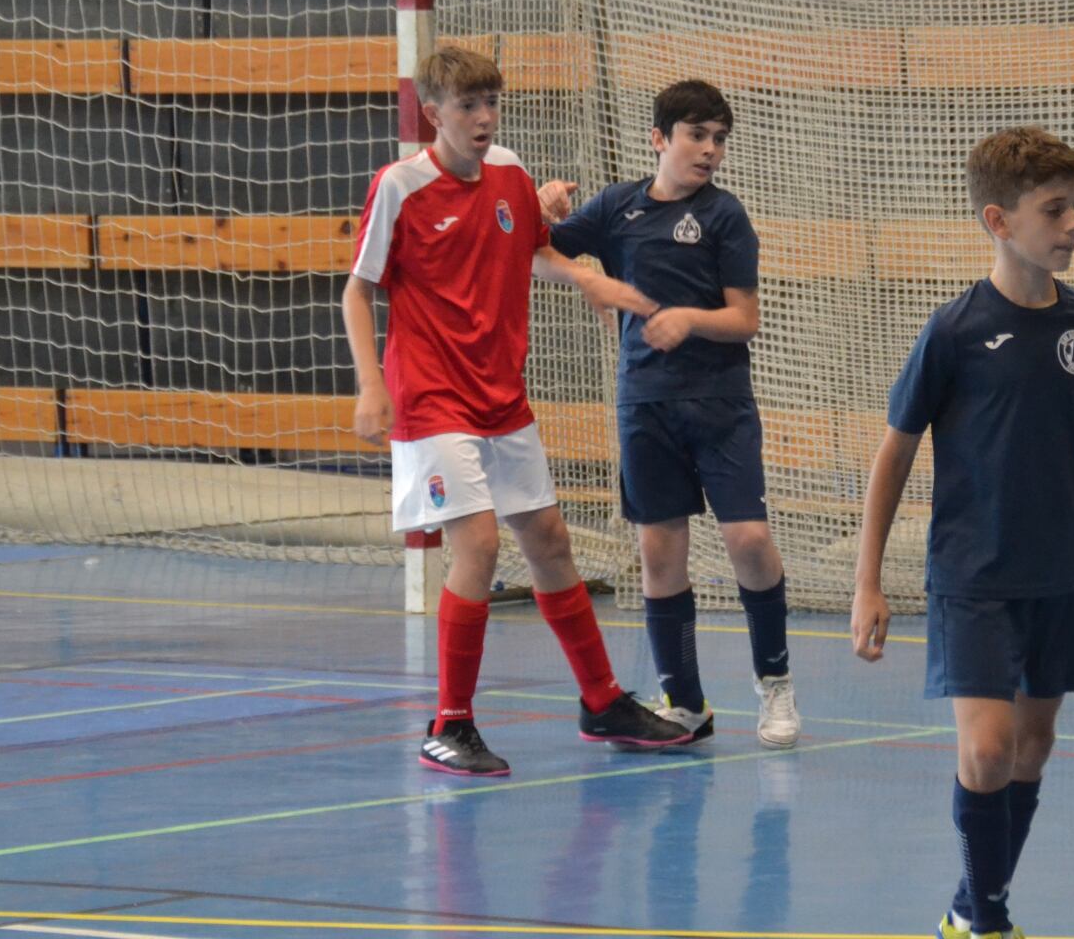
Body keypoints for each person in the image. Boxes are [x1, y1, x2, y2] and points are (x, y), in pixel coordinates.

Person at [343, 45, 692, 777]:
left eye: (491, 103)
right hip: (432, 398)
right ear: (433, 113)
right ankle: (450, 723)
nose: (483, 117)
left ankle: (601, 701)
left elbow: (536, 250)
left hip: (500, 394)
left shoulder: (509, 173)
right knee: (478, 547)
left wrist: (595, 283)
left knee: (551, 540)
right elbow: (359, 288)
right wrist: (370, 385)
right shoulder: (401, 187)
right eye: (467, 106)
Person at [850, 126, 1074, 939]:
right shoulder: (953, 333)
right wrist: (869, 582)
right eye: (1055, 211)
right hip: (972, 575)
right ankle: (988, 920)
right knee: (986, 749)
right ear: (998, 220)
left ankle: (968, 903)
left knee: (1031, 749)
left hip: (1058, 574)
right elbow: (893, 456)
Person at [539, 80, 800, 749]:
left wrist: (687, 318)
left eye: (719, 139)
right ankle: (684, 704)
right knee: (660, 552)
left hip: (720, 407)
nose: (710, 150)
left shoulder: (724, 217)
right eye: (696, 135)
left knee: (748, 540)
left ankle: (775, 685)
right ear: (659, 138)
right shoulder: (617, 207)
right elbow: (538, 250)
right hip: (644, 406)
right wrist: (543, 207)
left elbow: (745, 318)